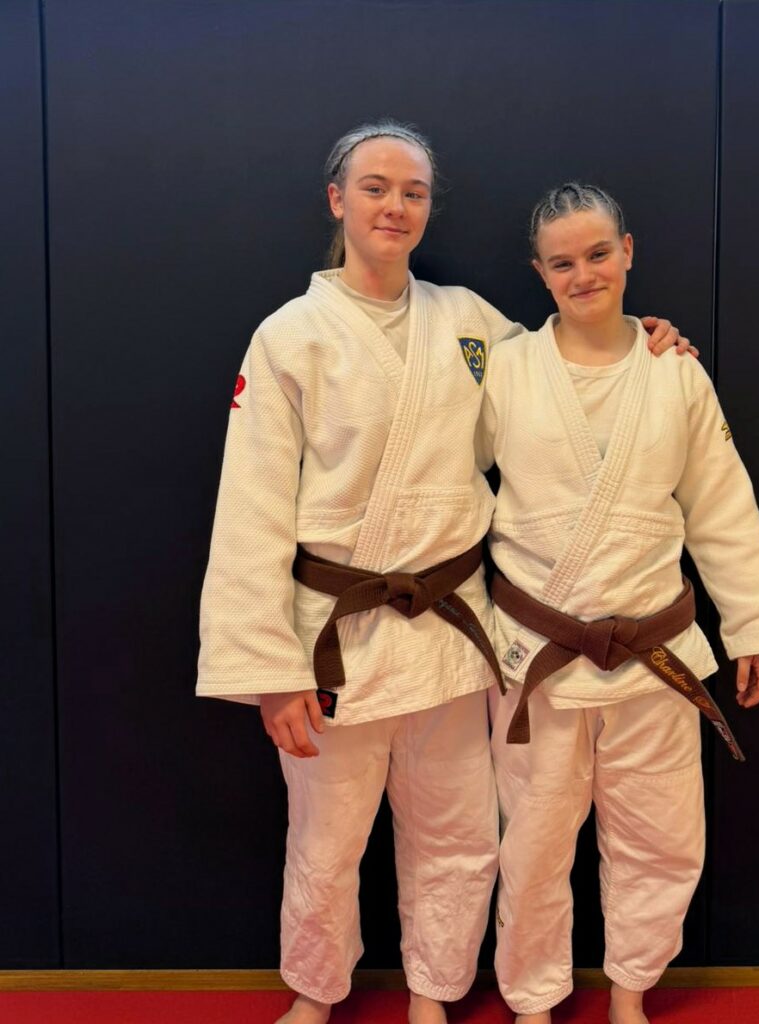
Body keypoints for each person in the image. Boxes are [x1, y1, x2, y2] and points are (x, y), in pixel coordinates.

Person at [197, 123, 688, 1024]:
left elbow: (563, 364)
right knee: (325, 840)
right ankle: (314, 990)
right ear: (337, 200)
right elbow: (251, 505)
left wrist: (642, 345)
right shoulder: (288, 337)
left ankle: (434, 991)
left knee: (458, 836)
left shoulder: (467, 322)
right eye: (376, 187)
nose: (396, 206)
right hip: (336, 634)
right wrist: (267, 667)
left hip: (452, 630)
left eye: (414, 192)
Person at [478, 183, 759, 1024]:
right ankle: (532, 998)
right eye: (562, 263)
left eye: (598, 254)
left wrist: (754, 628)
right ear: (538, 273)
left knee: (658, 838)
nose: (583, 274)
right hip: (538, 652)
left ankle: (629, 990)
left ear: (627, 251)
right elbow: (445, 481)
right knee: (531, 842)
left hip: (654, 654)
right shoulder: (504, 370)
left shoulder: (675, 372)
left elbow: (720, 506)